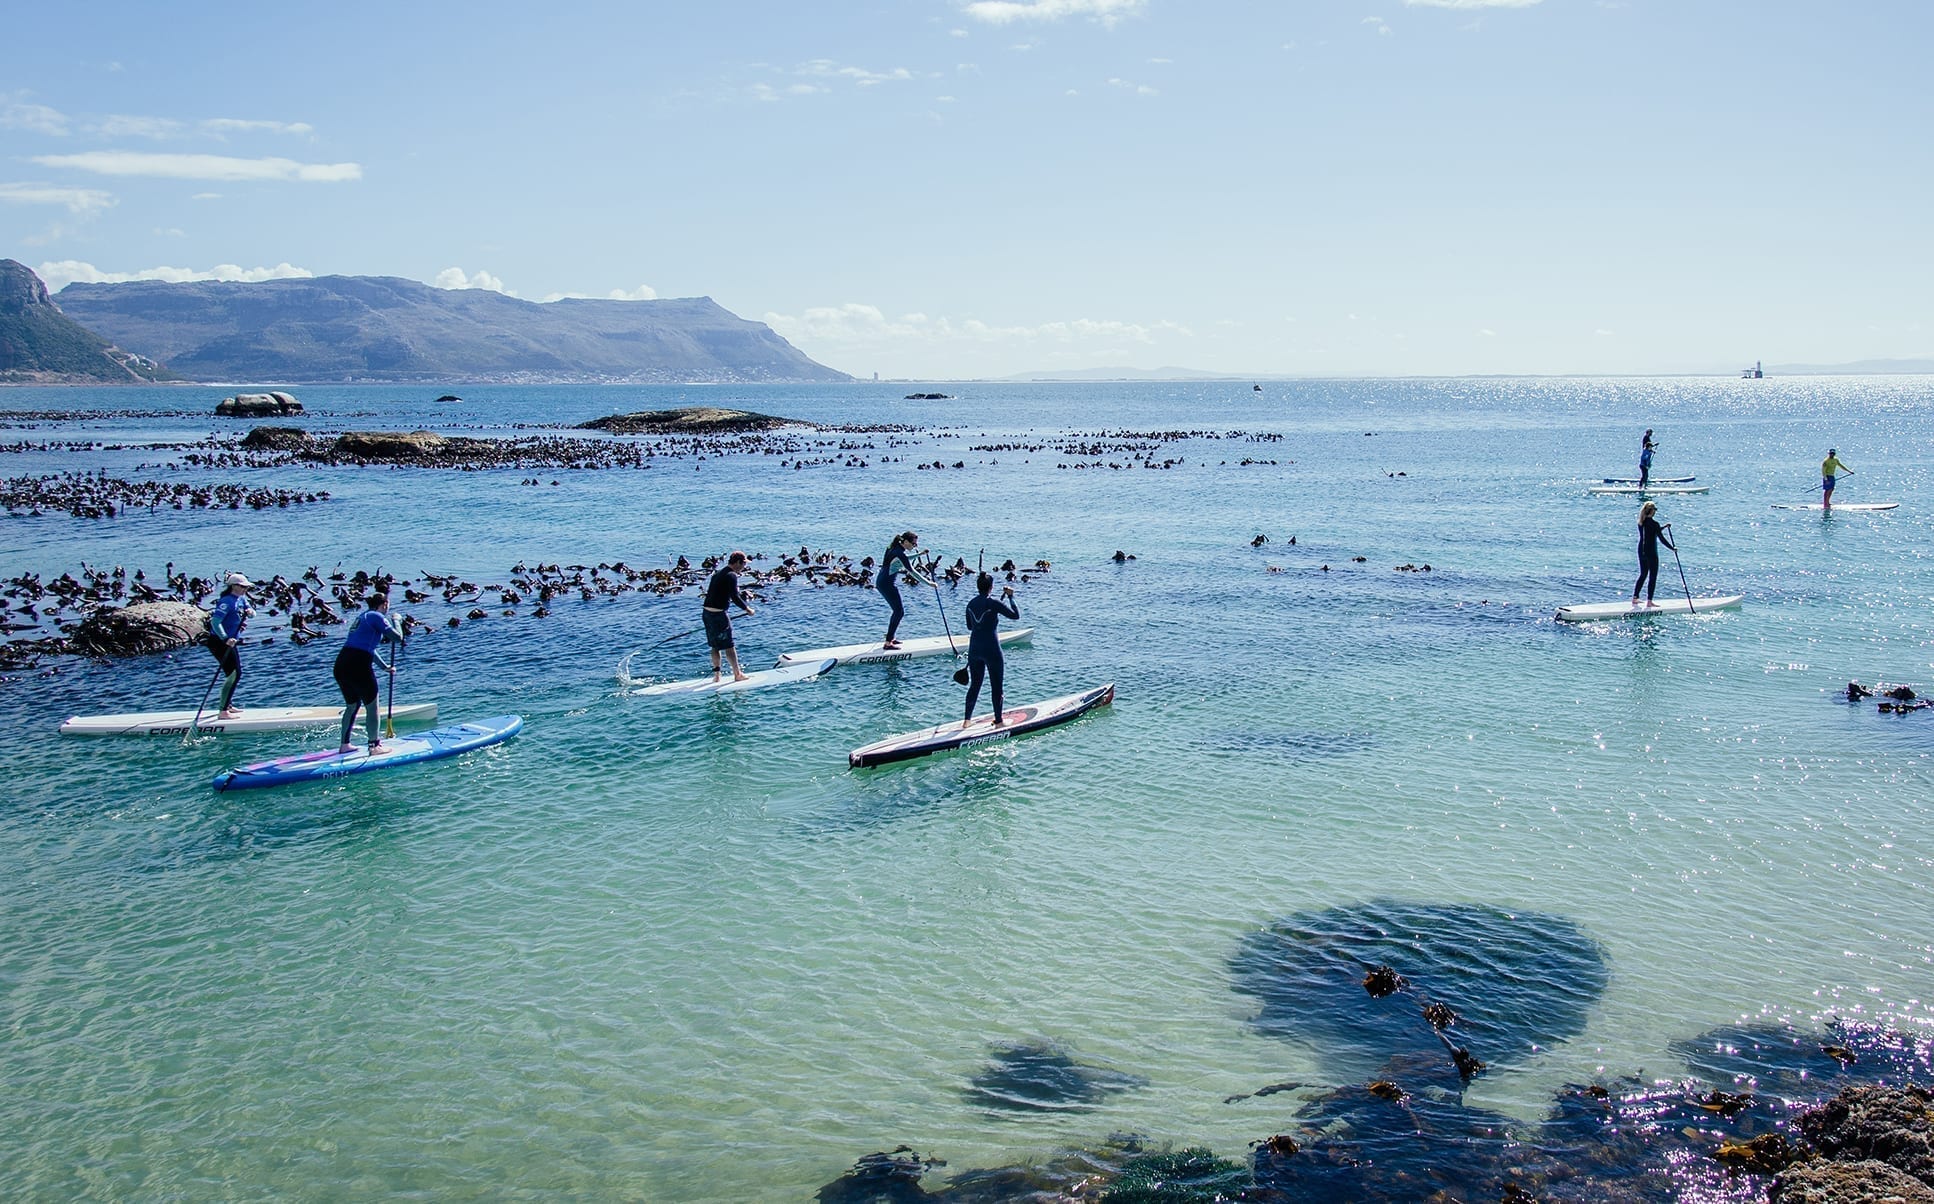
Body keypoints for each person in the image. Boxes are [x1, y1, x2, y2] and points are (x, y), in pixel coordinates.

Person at [334, 591, 403, 753]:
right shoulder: (376, 616)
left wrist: (384, 667)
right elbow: (397, 638)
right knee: (372, 706)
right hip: (358, 665)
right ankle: (374, 746)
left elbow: (367, 648)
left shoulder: (363, 616)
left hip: (342, 663)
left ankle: (344, 745)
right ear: (384, 604)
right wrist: (396, 621)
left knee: (352, 705)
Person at [962, 572, 1019, 727]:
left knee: (975, 685)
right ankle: (999, 721)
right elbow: (1015, 616)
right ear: (991, 587)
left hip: (974, 648)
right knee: (996, 686)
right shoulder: (993, 602)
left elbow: (969, 626)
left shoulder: (970, 604)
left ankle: (967, 721)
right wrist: (1011, 597)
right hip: (991, 649)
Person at [204, 572, 253, 719]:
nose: (245, 590)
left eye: (246, 587)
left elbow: (252, 613)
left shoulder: (241, 599)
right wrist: (225, 638)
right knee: (234, 673)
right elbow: (215, 622)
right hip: (219, 642)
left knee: (233, 674)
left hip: (230, 642)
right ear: (234, 586)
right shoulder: (226, 602)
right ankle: (223, 711)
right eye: (243, 587)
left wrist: (250, 612)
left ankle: (228, 705)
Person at [703, 550, 755, 682]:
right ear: (737, 562)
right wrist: (747, 609)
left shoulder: (718, 573)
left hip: (707, 613)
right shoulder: (731, 575)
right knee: (729, 645)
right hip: (718, 615)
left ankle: (717, 676)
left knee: (715, 645)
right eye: (743, 563)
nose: (744, 566)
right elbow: (735, 597)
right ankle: (737, 674)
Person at [875, 531, 931, 649]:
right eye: (913, 544)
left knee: (897, 611)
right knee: (899, 611)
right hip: (887, 584)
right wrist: (929, 583)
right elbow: (912, 571)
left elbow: (904, 559)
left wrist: (919, 554)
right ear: (905, 542)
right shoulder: (899, 553)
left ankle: (891, 638)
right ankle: (888, 642)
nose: (914, 546)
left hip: (882, 581)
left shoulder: (893, 548)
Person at [1632, 501, 1676, 606]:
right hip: (1651, 552)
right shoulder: (1654, 524)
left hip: (1641, 551)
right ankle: (1650, 601)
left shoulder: (1641, 522)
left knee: (1643, 574)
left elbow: (1652, 532)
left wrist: (1664, 527)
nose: (1655, 512)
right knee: (1653, 576)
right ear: (1651, 511)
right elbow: (1661, 538)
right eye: (1654, 510)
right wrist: (1672, 548)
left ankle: (1635, 597)